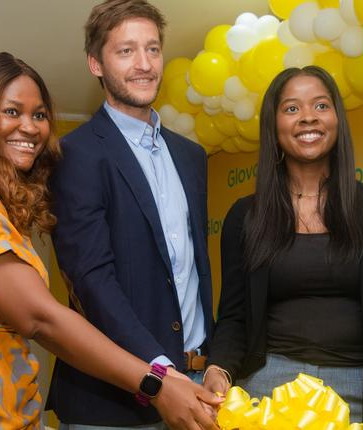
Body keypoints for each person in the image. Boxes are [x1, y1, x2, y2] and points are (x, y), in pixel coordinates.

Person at [0, 52, 220, 430]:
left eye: (39, 115)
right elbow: (40, 318)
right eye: (11, 111)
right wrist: (156, 383)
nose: (31, 127)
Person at [203, 66, 363, 430]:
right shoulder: (245, 216)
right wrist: (218, 369)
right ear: (274, 125)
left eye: (321, 105)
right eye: (292, 108)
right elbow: (234, 316)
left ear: (337, 120)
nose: (308, 117)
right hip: (270, 389)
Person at [46, 0, 216, 428]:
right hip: (110, 403)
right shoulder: (75, 155)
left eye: (153, 49)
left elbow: (194, 273)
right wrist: (161, 375)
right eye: (125, 51)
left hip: (197, 389)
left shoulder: (191, 156)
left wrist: (213, 364)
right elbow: (92, 281)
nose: (144, 64)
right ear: (95, 64)